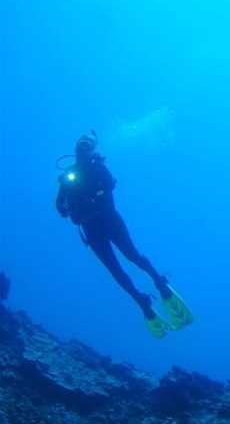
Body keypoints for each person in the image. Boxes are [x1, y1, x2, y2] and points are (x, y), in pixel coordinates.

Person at [56, 132, 192, 338]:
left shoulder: (98, 168)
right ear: (75, 149)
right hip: (93, 232)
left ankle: (159, 282)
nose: (82, 148)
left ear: (92, 149)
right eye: (80, 144)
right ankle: (142, 302)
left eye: (87, 145)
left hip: (111, 224)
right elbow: (60, 207)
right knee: (115, 270)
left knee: (133, 257)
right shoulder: (68, 175)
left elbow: (110, 187)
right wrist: (68, 205)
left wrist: (91, 198)